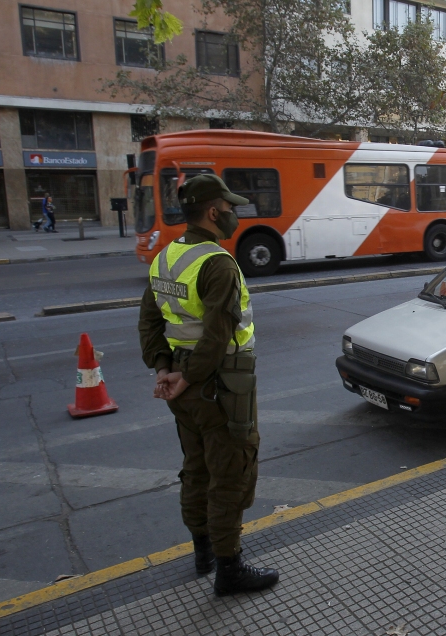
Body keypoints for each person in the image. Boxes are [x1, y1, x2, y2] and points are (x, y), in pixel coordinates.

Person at [138, 174, 279, 597]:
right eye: (231, 207)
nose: (236, 214)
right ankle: (229, 568)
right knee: (230, 473)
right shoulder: (217, 262)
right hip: (221, 386)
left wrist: (165, 368)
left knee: (196, 469)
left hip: (185, 386)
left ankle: (203, 552)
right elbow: (218, 336)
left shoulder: (165, 258)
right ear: (215, 212)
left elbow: (150, 322)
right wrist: (189, 378)